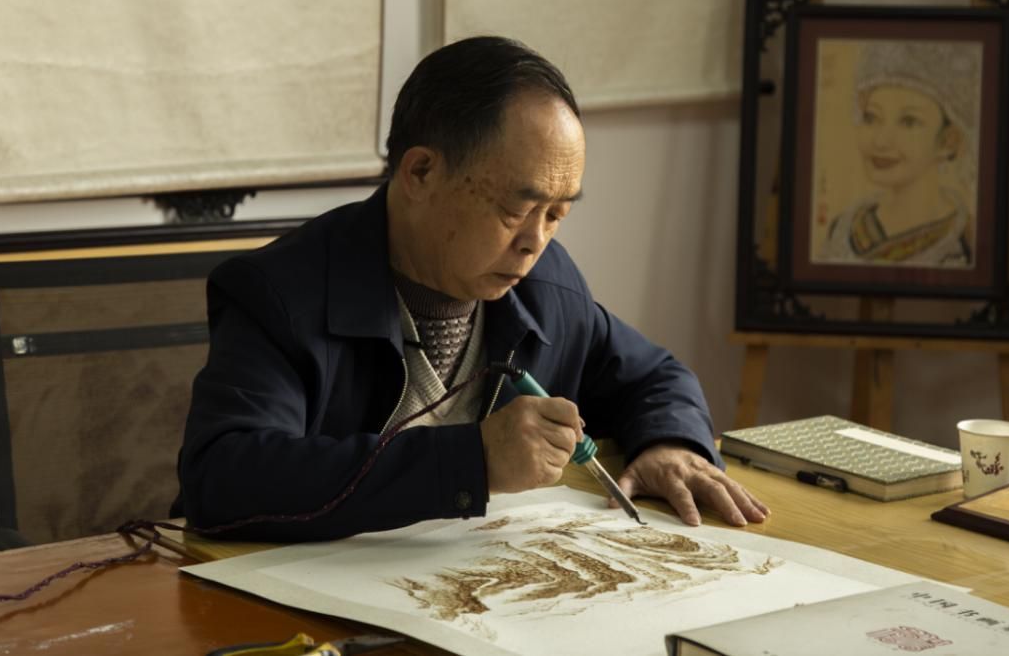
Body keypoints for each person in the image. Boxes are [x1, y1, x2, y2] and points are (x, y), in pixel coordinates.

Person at [174, 36, 767, 541]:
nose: (535, 242)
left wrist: (670, 443)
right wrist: (473, 459)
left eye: (557, 214)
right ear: (421, 173)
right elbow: (222, 478)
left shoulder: (548, 286)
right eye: (517, 209)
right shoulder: (280, 292)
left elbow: (655, 376)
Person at [821, 41, 980, 267]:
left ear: (948, 141)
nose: (880, 141)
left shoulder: (969, 243)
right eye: (871, 117)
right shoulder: (842, 229)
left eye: (908, 122)